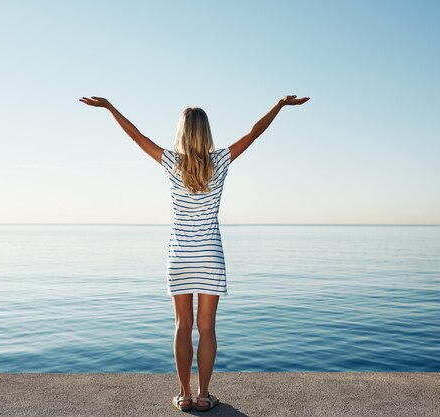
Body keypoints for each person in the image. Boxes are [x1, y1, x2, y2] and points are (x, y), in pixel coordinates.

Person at [79, 94, 310, 411]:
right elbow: (254, 133)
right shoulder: (221, 161)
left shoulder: (172, 163)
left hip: (180, 255)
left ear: (182, 133)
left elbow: (135, 136)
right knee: (207, 329)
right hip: (210, 254)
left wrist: (109, 108)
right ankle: (204, 396)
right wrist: (280, 105)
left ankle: (184, 395)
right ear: (207, 133)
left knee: (181, 327)